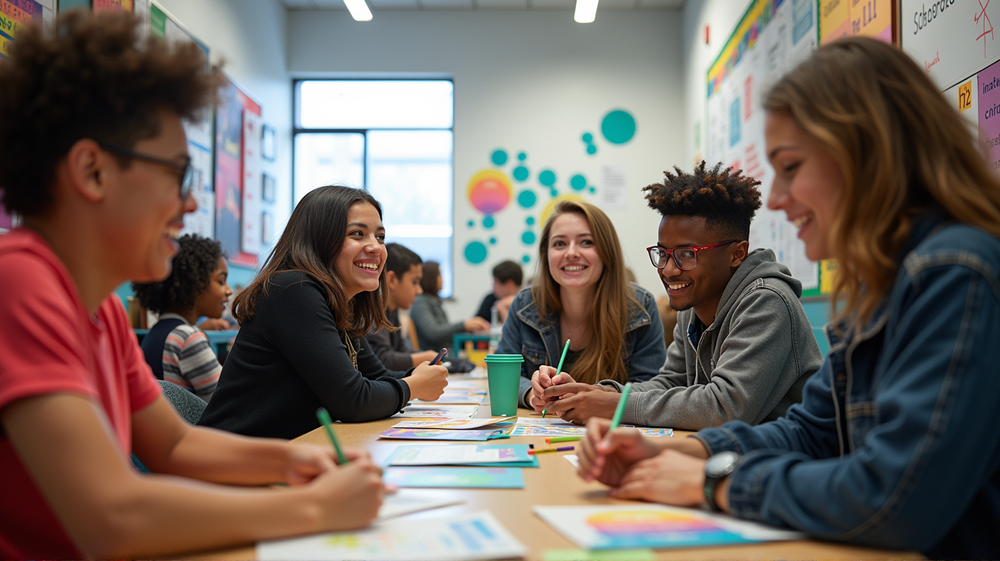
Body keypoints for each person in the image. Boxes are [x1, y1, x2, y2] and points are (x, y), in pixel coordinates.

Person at [577, 38, 1000, 558]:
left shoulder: (954, 272)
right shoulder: (881, 286)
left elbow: (897, 497)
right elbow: (811, 432)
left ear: (866, 157)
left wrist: (715, 482)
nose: (776, 198)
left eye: (792, 167)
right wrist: (690, 452)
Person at [0, 11, 384, 559]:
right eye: (178, 174)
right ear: (92, 171)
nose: (192, 203)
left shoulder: (98, 308)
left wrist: (292, 460)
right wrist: (315, 508)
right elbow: (111, 519)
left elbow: (176, 444)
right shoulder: (19, 284)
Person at [536, 162, 823, 429]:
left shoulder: (767, 302)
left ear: (737, 254)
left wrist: (614, 406)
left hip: (789, 459)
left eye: (687, 254)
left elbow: (725, 406)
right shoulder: (694, 304)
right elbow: (670, 382)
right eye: (663, 253)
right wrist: (595, 393)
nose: (669, 270)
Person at [199, 186, 448, 439]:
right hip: (232, 455)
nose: (376, 247)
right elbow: (353, 401)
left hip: (289, 449)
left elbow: (374, 376)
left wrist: (418, 377)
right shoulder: (293, 289)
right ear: (319, 239)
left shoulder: (339, 301)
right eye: (358, 234)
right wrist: (414, 385)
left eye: (380, 237)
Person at [496, 200, 666, 415]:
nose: (571, 252)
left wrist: (598, 396)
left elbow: (653, 388)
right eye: (559, 243)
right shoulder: (524, 304)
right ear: (546, 254)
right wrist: (534, 394)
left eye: (586, 242)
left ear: (607, 251)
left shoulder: (641, 307)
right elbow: (502, 376)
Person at [132, 234, 231, 401]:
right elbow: (226, 402)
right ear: (195, 284)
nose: (229, 290)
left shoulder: (155, 333)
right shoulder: (188, 338)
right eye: (221, 281)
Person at [365, 242, 440, 370]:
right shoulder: (372, 311)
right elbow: (382, 359)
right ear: (392, 280)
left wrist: (440, 359)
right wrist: (426, 357)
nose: (419, 290)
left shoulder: (392, 311)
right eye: (414, 282)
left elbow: (401, 350)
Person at [410, 260, 491, 352]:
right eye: (439, 275)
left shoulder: (434, 302)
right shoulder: (421, 302)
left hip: (442, 353)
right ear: (430, 278)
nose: (442, 280)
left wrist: (468, 328)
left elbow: (446, 334)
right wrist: (464, 325)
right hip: (431, 356)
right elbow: (432, 333)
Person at [474, 259, 523, 323]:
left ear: (509, 284)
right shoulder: (490, 299)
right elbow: (476, 322)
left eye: (496, 282)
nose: (493, 286)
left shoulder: (527, 302)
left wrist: (503, 309)